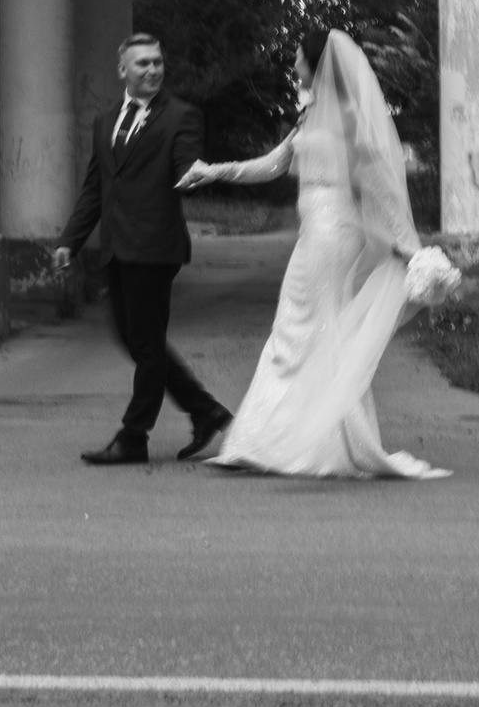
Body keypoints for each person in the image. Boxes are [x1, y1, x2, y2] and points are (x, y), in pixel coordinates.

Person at [177, 28, 453, 480]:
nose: (293, 66)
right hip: (314, 231)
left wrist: (409, 246)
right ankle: (277, 438)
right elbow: (273, 164)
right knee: (300, 327)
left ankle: (312, 443)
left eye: (298, 58)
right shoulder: (311, 114)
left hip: (335, 231)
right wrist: (212, 171)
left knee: (313, 326)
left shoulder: (348, 116)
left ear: (316, 62)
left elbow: (378, 183)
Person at [52, 33, 234, 466]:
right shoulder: (106, 120)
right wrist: (69, 242)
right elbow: (96, 188)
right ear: (123, 71)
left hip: (155, 246)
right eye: (142, 64)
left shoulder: (181, 116)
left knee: (147, 346)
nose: (152, 70)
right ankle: (206, 410)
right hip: (116, 247)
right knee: (134, 340)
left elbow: (185, 163)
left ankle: (134, 437)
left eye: (157, 62)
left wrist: (192, 174)